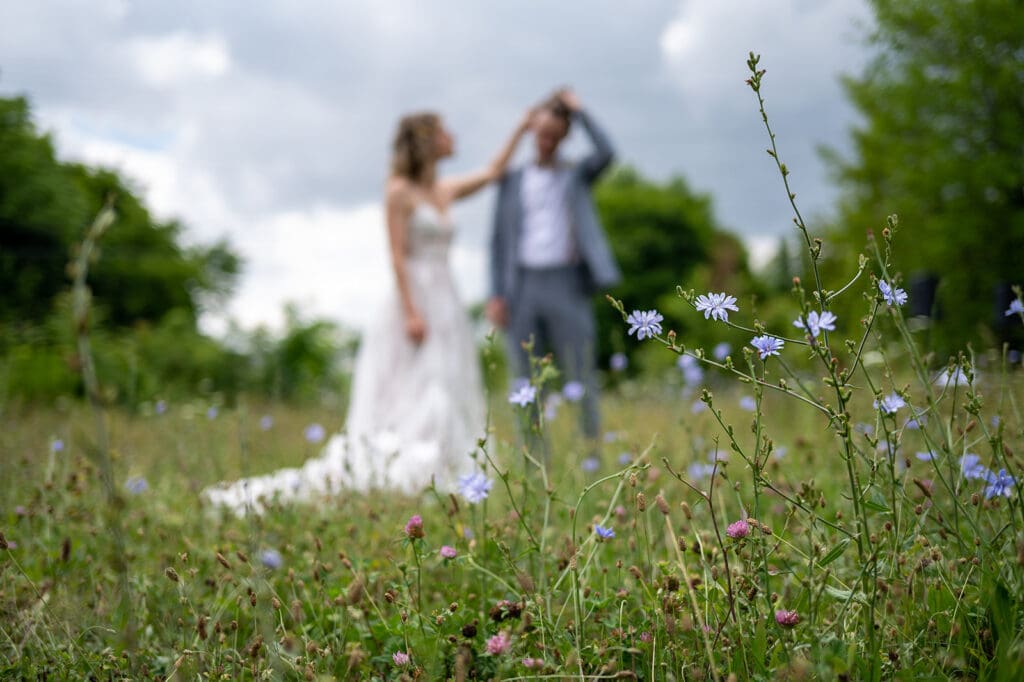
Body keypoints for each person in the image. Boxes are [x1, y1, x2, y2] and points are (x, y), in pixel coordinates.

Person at [203, 110, 530, 513]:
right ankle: (412, 463)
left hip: (447, 300)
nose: (452, 137)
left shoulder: (443, 191)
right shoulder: (399, 192)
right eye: (444, 131)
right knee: (412, 387)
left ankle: (447, 462)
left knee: (447, 381)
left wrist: (522, 127)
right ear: (427, 140)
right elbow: (395, 254)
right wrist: (411, 311)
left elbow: (494, 171)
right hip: (414, 299)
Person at [486, 89, 620, 448]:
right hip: (522, 286)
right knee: (525, 381)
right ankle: (534, 464)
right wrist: (495, 293)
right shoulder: (512, 181)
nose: (546, 141)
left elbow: (608, 152)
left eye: (554, 135)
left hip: (568, 282)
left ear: (564, 136)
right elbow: (498, 240)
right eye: (541, 133)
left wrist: (582, 110)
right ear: (533, 132)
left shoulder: (576, 175)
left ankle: (592, 455)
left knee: (581, 371)